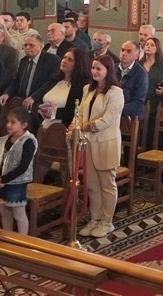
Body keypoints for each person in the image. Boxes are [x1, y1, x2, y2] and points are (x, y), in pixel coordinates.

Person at [75, 56, 125, 238]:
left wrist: (85, 126)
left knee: (107, 184)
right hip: (87, 142)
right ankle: (95, 219)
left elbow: (107, 119)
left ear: (108, 70)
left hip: (106, 143)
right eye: (93, 68)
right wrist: (75, 125)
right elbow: (80, 112)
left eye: (98, 69)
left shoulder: (115, 92)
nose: (94, 72)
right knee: (92, 185)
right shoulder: (87, 89)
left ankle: (107, 221)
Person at [0, 106, 38, 235]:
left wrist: (4, 179)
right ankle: (8, 238)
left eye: (13, 122)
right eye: (8, 121)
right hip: (2, 181)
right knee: (4, 211)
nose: (8, 125)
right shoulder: (4, 140)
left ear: (24, 125)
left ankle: (22, 241)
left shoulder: (28, 142)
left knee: (18, 213)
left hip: (17, 182)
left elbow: (23, 166)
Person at [31, 48, 90, 128]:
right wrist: (42, 109)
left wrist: (54, 112)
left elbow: (77, 111)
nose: (64, 61)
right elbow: (40, 99)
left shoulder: (81, 86)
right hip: (44, 126)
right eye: (64, 57)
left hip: (63, 129)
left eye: (70, 60)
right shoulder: (54, 80)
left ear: (78, 64)